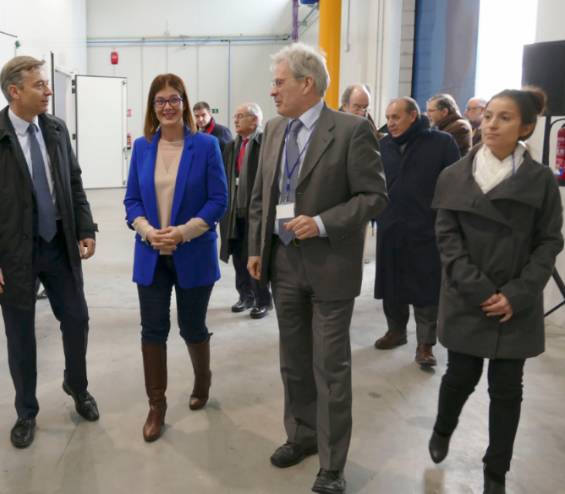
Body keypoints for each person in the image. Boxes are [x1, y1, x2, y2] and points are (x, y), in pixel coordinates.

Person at [247, 43, 388, 494]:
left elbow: (374, 197)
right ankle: (301, 435)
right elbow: (261, 195)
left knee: (330, 367)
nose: (272, 91)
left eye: (279, 83)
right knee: (293, 362)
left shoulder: (351, 131)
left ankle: (332, 464)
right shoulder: (274, 130)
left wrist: (324, 222)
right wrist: (256, 248)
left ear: (307, 83)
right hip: (283, 262)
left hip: (330, 265)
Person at [428, 87, 563, 494]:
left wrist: (517, 294)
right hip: (467, 295)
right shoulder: (454, 175)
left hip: (514, 304)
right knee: (460, 376)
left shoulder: (540, 180)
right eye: (488, 116)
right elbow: (447, 238)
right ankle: (443, 428)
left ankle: (495, 472)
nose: (491, 125)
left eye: (504, 118)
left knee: (507, 389)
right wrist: (480, 290)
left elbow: (549, 241)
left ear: (526, 127)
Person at [0, 56, 99, 449]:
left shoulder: (55, 129)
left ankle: (77, 385)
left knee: (77, 318)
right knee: (20, 335)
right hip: (13, 254)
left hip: (58, 244)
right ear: (14, 91)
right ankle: (26, 411)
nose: (48, 91)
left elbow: (73, 180)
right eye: (39, 85)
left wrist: (85, 226)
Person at [124, 73, 227, 443]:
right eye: (160, 100)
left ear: (184, 103)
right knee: (152, 330)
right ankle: (157, 405)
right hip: (151, 253)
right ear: (152, 107)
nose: (167, 106)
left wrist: (183, 231)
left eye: (174, 99)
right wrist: (147, 230)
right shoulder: (142, 147)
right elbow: (132, 200)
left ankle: (203, 379)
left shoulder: (207, 145)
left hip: (193, 251)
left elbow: (219, 199)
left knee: (191, 326)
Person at [373, 97, 460, 367]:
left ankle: (425, 344)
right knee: (392, 284)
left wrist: (446, 222)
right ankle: (396, 331)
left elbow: (455, 185)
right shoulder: (383, 146)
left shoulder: (441, 143)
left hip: (427, 228)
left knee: (426, 288)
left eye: (396, 117)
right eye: (388, 117)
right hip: (391, 227)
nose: (391, 123)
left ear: (413, 115)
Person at [219, 102, 272, 319]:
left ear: (255, 120)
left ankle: (262, 300)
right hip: (234, 211)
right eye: (235, 116)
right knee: (238, 256)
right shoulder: (231, 146)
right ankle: (245, 296)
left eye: (240, 116)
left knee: (255, 255)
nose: (236, 120)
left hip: (256, 211)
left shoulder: (265, 144)